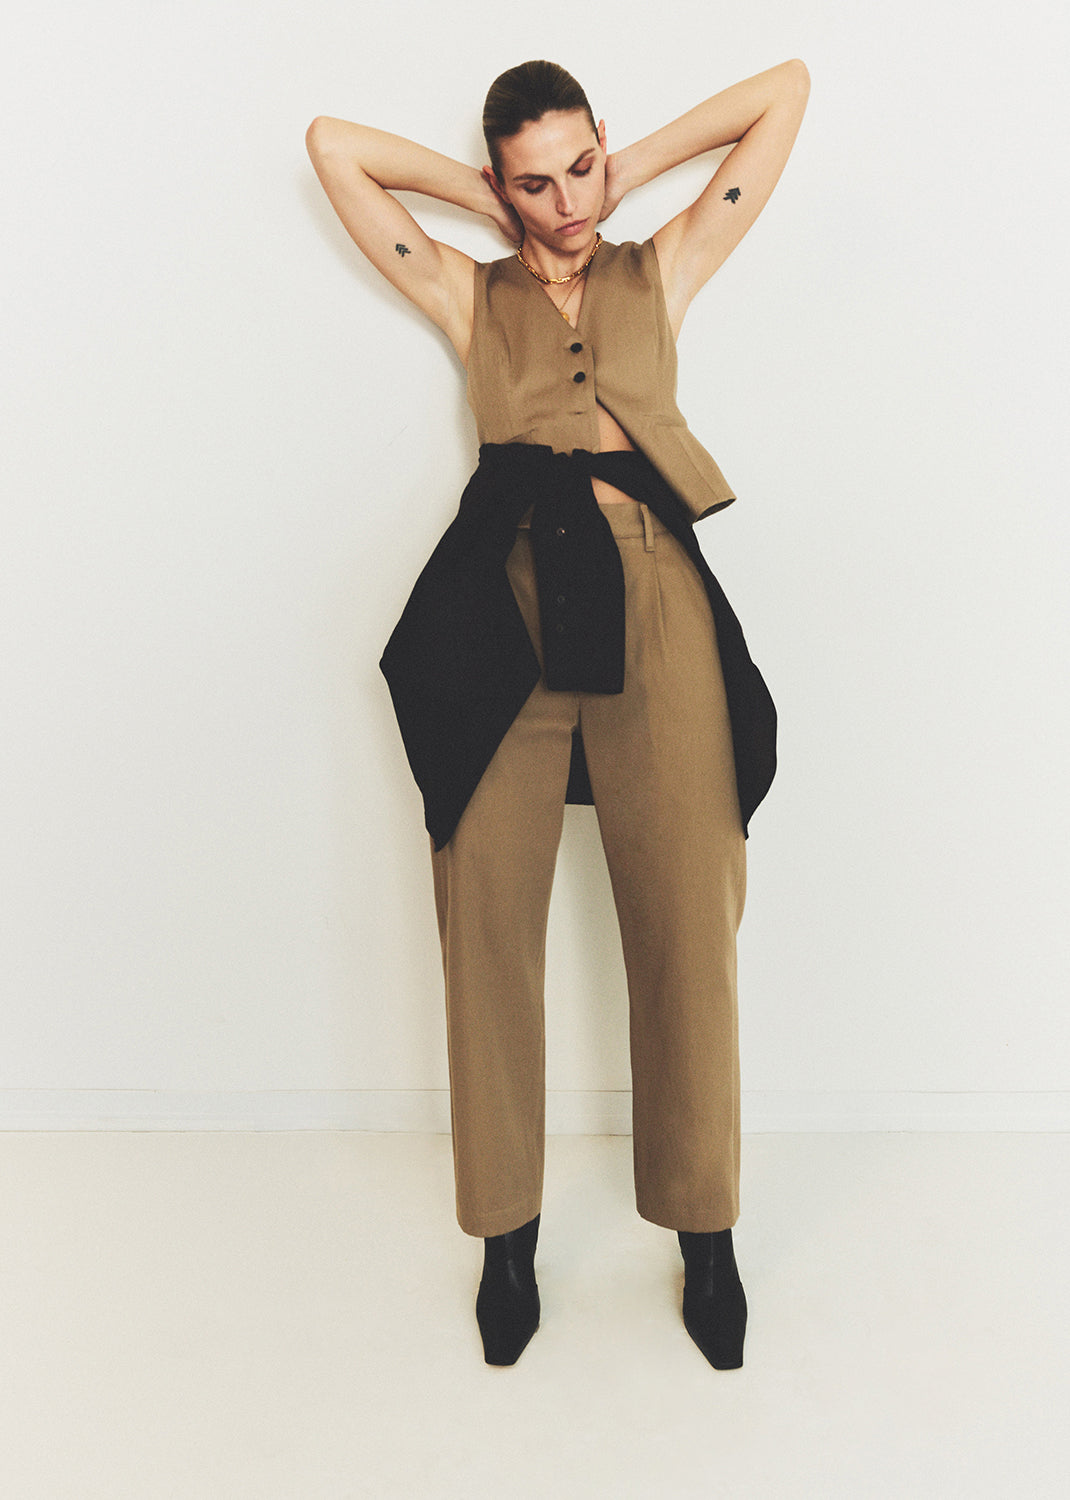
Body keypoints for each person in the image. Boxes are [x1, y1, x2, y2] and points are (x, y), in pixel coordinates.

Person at [306, 56, 810, 1369]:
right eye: (535, 182)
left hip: (653, 592)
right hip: (505, 600)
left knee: (687, 914)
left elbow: (785, 92)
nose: (566, 200)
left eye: (579, 166)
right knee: (484, 912)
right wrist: (487, 201)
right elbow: (334, 146)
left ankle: (705, 1231)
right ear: (502, 184)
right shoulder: (466, 292)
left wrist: (625, 170)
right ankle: (507, 1239)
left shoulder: (664, 268)